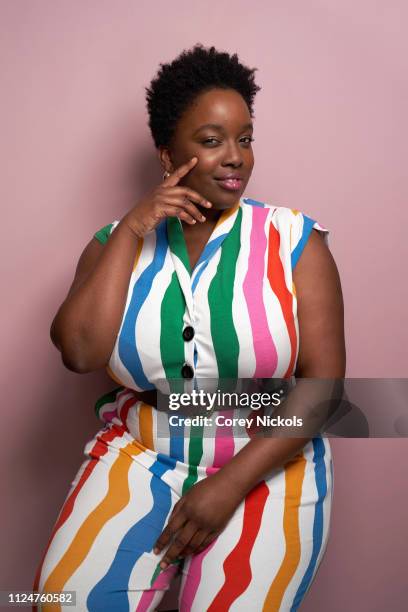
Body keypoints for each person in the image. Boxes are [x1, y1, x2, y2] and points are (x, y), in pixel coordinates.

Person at [33, 44, 345, 611]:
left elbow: (322, 392)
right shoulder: (113, 244)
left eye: (245, 139)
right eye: (211, 140)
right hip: (138, 456)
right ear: (167, 154)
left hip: (268, 464)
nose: (236, 157)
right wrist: (131, 228)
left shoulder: (294, 240)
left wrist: (225, 486)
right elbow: (79, 353)